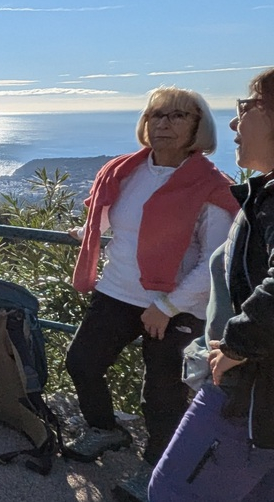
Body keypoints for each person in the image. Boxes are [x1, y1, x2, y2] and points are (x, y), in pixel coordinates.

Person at [63, 88, 236, 498]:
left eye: (178, 116)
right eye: (156, 115)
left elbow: (214, 261)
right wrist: (88, 232)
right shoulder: (124, 170)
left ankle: (156, 467)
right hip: (117, 290)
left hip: (177, 305)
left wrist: (167, 306)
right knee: (82, 362)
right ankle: (105, 429)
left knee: (162, 394)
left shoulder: (210, 186)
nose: (163, 124)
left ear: (198, 127)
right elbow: (112, 216)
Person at [148, 70, 274, 501]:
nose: (235, 122)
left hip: (247, 394)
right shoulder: (262, 194)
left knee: (171, 492)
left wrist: (236, 344)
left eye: (247, 107)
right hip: (255, 394)